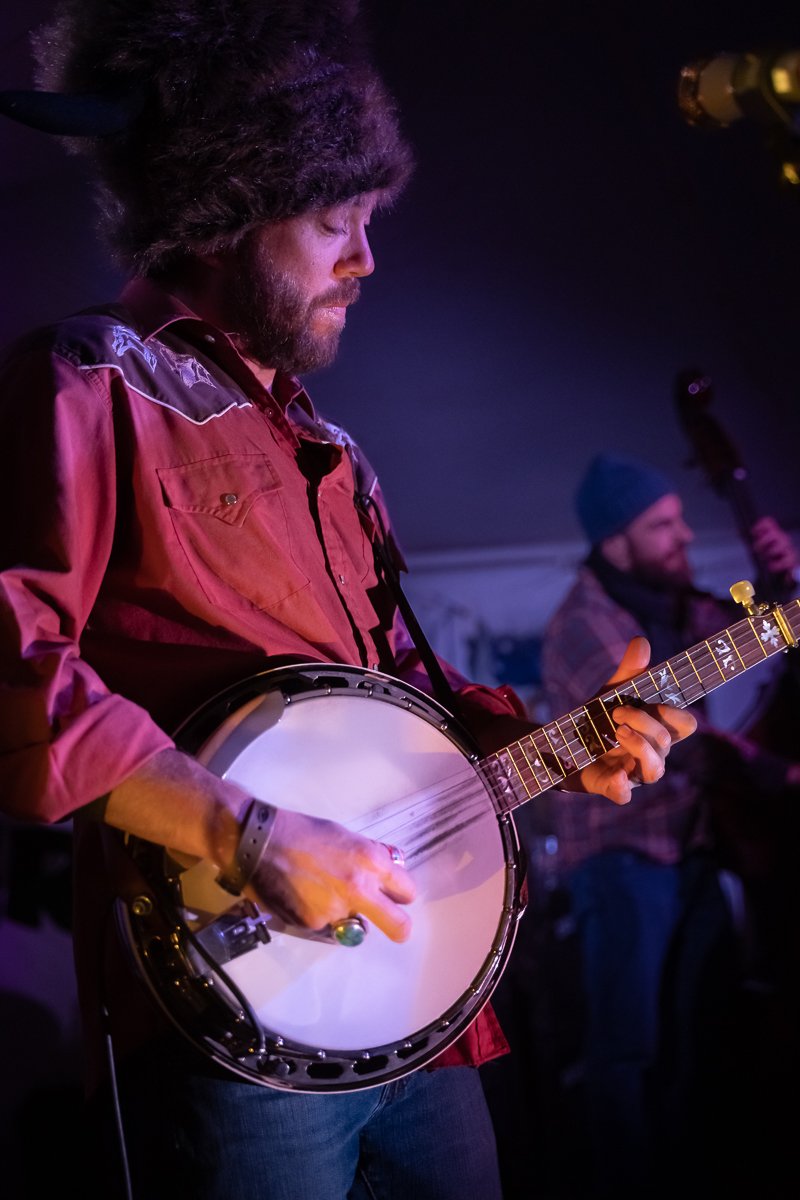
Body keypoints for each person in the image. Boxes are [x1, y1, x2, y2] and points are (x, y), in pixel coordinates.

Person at [0, 7, 696, 1200]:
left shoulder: (335, 451)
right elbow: (16, 669)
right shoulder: (87, 382)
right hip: (232, 1030)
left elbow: (395, 704)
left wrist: (563, 742)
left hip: (414, 1002)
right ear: (218, 216)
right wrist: (250, 835)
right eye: (334, 224)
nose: (365, 262)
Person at [538, 451, 800, 1199]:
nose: (684, 534)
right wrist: (774, 772)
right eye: (663, 524)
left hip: (690, 850)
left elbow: (774, 629)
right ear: (616, 538)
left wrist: (777, 577)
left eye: (683, 518)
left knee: (701, 1042)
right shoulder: (582, 621)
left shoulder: (679, 602)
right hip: (620, 857)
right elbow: (662, 740)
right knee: (627, 1054)